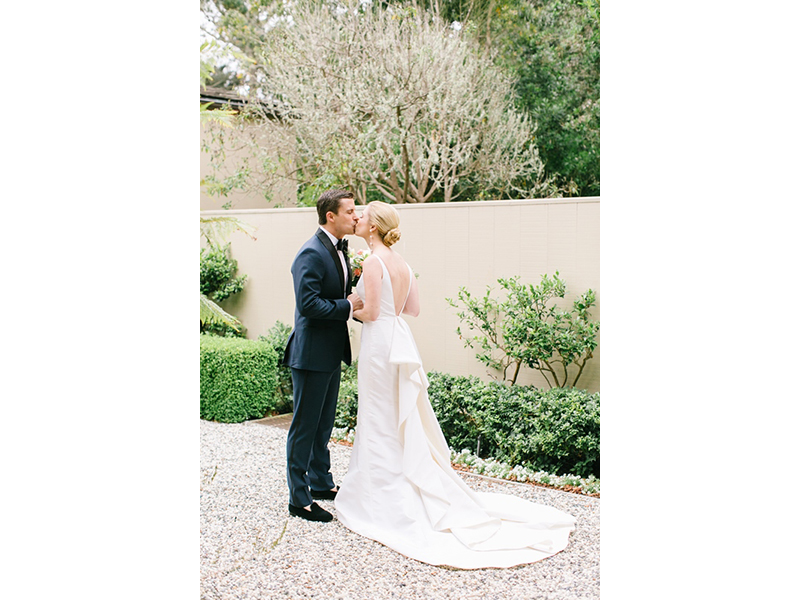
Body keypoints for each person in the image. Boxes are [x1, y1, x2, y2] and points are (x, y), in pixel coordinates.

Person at [334, 201, 577, 569]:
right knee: (396, 415)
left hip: (379, 343)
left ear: (374, 227)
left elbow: (368, 312)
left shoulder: (372, 261)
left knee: (378, 416)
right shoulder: (403, 263)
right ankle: (399, 479)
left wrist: (349, 304)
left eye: (364, 215)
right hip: (400, 337)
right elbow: (412, 310)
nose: (358, 217)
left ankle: (378, 496)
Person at [283, 189, 363, 523]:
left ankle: (319, 482)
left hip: (331, 351)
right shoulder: (310, 253)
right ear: (331, 216)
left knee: (323, 424)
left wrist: (355, 283)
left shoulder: (341, 250)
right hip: (311, 353)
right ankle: (298, 499)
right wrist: (349, 306)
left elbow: (332, 290)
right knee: (304, 426)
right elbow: (309, 305)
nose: (356, 216)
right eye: (349, 212)